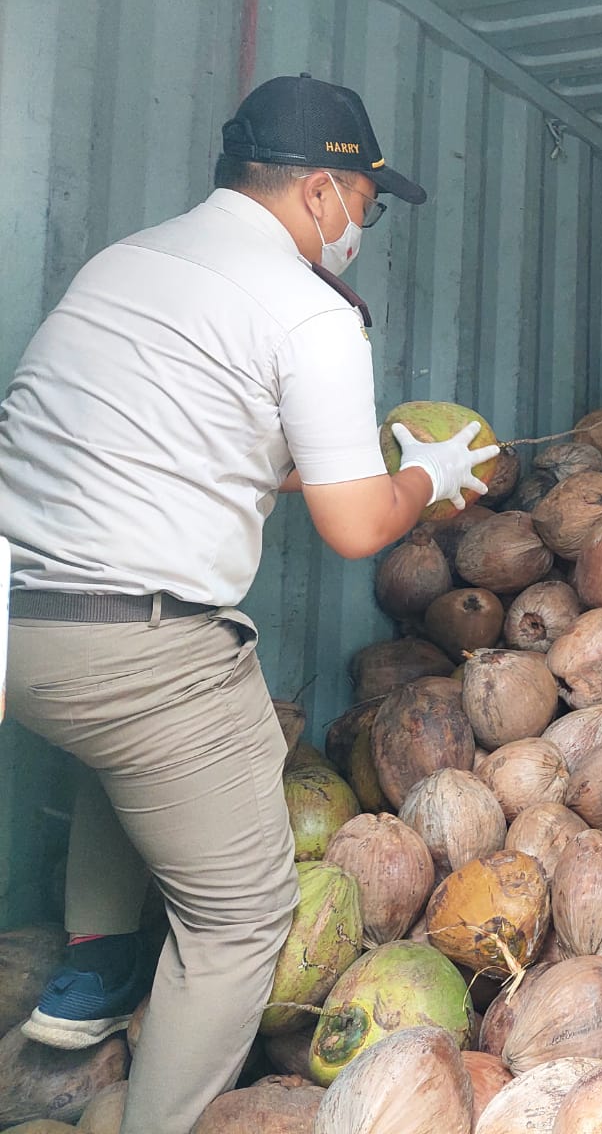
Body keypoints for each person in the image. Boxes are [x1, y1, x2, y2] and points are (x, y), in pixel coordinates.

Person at [0, 72, 497, 1133]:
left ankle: (87, 980)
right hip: (138, 642)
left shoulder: (125, 265)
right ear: (321, 192)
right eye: (365, 203)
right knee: (238, 917)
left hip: (18, 629)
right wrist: (426, 477)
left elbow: (185, 443)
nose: (363, 224)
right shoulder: (305, 309)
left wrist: (354, 467)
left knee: (126, 757)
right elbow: (359, 527)